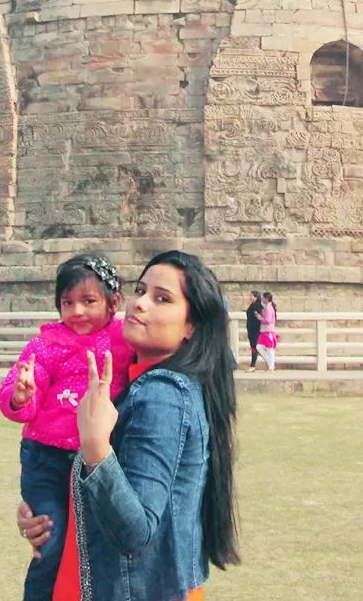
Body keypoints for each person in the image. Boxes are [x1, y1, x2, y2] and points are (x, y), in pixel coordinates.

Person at [16, 250, 240, 601]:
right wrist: (48, 509)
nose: (140, 304)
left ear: (191, 326)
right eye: (140, 290)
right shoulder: (139, 384)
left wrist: (96, 449)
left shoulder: (161, 396)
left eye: (162, 298)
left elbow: (136, 532)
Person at [0, 254, 133, 601]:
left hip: (94, 460)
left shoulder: (124, 339)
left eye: (89, 301)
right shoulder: (46, 344)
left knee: (96, 544)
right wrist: (20, 396)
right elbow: (23, 390)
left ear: (113, 302)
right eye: (67, 302)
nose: (76, 312)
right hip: (45, 461)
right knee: (52, 540)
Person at [255, 290, 278, 372]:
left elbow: (268, 320)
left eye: (263, 298)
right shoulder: (267, 307)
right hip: (265, 330)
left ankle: (271, 366)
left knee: (269, 349)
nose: (262, 299)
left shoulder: (268, 308)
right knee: (259, 347)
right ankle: (270, 363)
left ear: (267, 299)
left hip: (268, 331)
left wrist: (259, 317)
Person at [244, 291, 262, 373]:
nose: (250, 297)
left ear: (256, 297)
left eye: (251, 296)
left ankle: (253, 365)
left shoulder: (256, 306)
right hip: (252, 329)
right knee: (255, 347)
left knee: (254, 347)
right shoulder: (254, 305)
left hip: (255, 329)